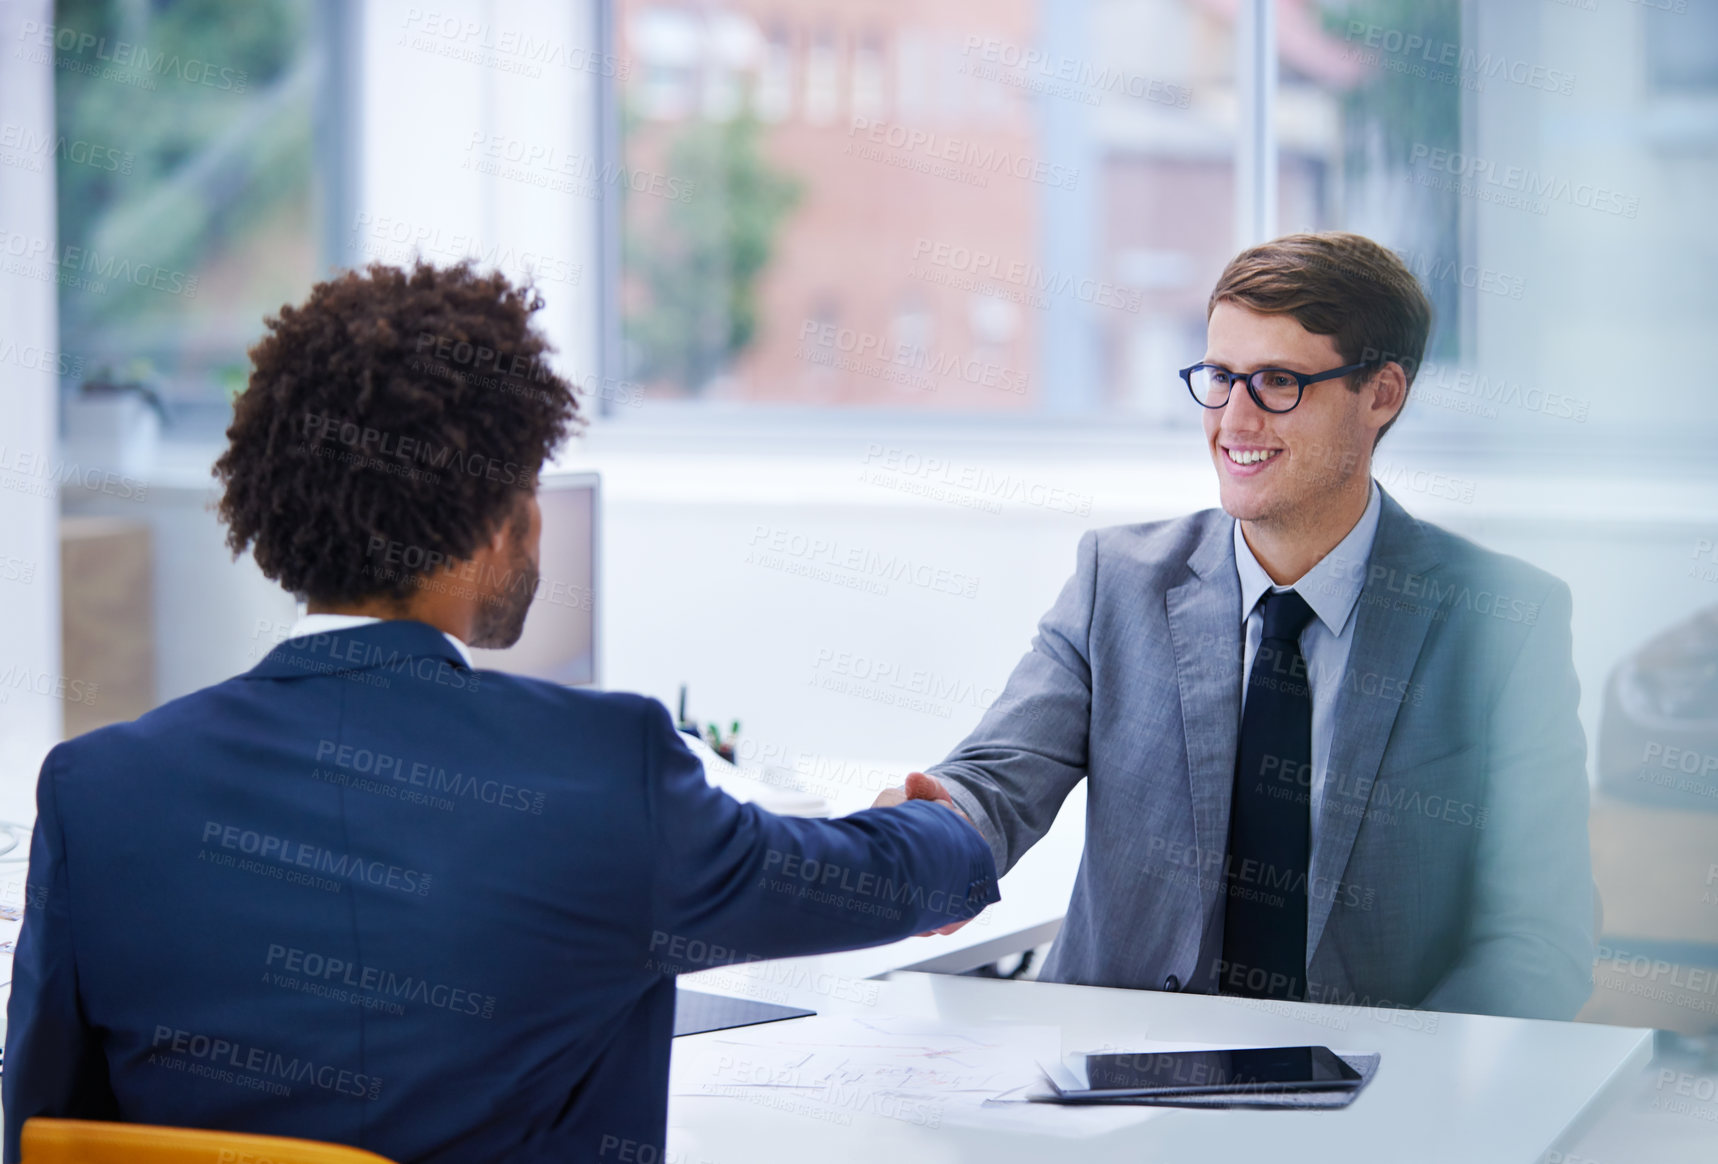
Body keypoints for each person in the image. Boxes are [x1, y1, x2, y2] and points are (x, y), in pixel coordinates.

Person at [3, 261, 997, 1164]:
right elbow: (867, 882)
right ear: (494, 522)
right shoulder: (609, 772)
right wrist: (950, 828)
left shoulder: (99, 790)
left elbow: (46, 1132)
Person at [881, 232, 1593, 1020]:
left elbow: (1539, 939)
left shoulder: (1503, 625)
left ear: (1382, 394)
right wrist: (914, 845)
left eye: (1279, 382)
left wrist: (1408, 1092)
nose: (1234, 420)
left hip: (1369, 1108)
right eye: (1220, 378)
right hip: (1107, 1090)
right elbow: (997, 781)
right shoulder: (1115, 581)